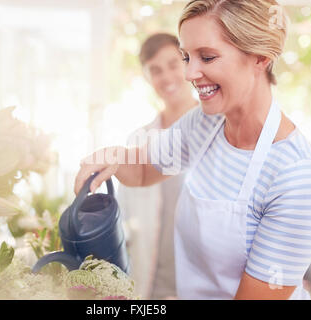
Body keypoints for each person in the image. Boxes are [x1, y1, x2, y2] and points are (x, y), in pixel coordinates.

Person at [74, 0, 311, 300]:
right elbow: (144, 171)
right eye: (186, 56)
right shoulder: (206, 124)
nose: (188, 73)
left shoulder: (297, 177)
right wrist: (112, 157)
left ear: (260, 57)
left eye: (207, 57)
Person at [116, 33, 198, 300]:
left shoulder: (219, 129)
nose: (167, 77)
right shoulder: (138, 141)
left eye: (174, 65)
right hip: (153, 288)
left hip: (205, 286)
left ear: (188, 63)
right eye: (156, 70)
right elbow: (124, 218)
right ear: (148, 77)